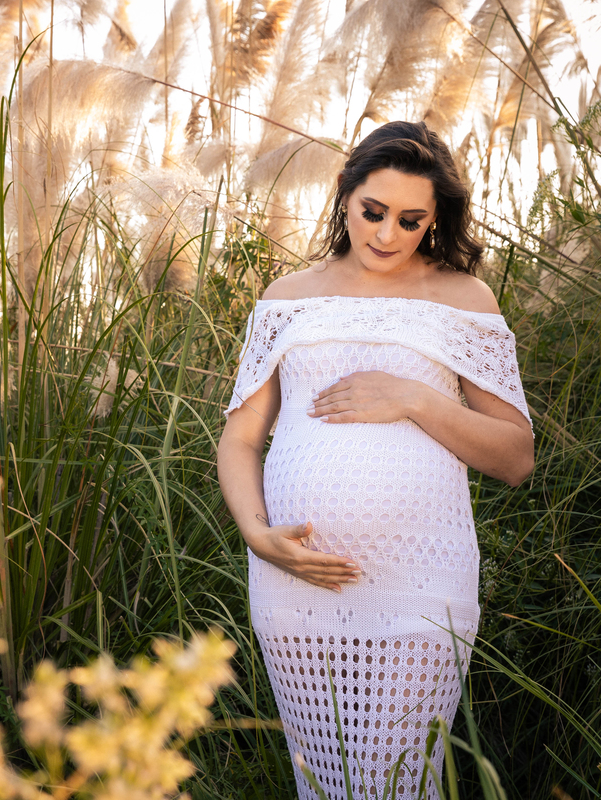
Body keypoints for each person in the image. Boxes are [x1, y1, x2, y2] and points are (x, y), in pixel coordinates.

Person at [216, 121, 534, 798]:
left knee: (400, 780)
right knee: (323, 783)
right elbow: (240, 438)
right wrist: (258, 536)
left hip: (419, 578)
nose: (388, 233)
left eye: (411, 220)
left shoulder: (464, 299)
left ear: (436, 219)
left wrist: (414, 397)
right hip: (294, 578)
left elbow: (515, 456)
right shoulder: (286, 298)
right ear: (344, 194)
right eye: (374, 211)